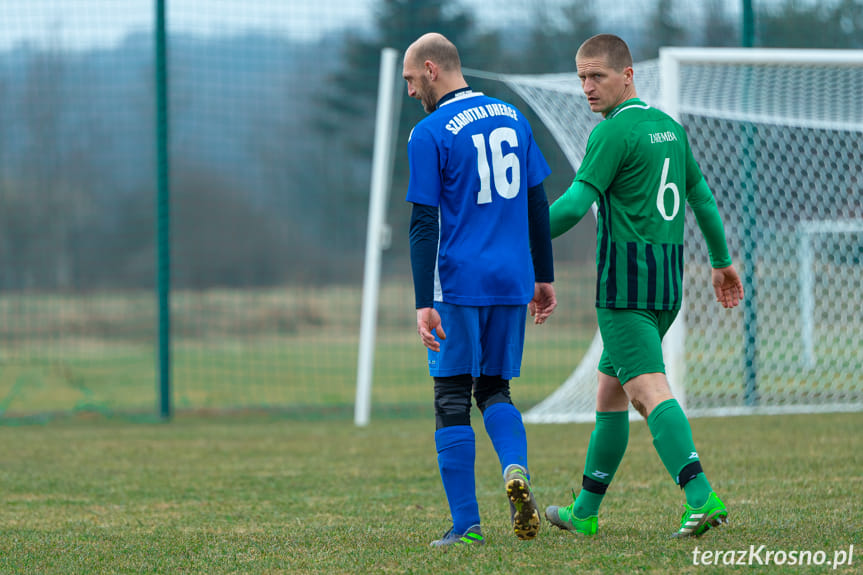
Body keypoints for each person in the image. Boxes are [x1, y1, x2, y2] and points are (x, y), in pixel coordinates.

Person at [543, 34, 744, 539]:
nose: (587, 87)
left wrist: (510, 235)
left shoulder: (612, 134)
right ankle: (585, 514)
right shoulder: (669, 129)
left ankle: (701, 496)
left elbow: (571, 206)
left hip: (624, 290)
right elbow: (702, 198)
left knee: (649, 391)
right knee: (610, 394)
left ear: (627, 75)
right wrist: (722, 262)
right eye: (581, 77)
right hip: (664, 286)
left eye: (597, 76)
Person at [403, 32, 558, 547]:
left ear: (431, 69)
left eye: (409, 80)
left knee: (451, 396)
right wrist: (544, 276)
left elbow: (424, 223)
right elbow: (538, 204)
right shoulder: (515, 117)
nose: (409, 92)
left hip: (457, 282)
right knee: (495, 389)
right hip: (512, 280)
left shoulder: (428, 133)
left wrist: (424, 302)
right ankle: (515, 467)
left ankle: (466, 525)